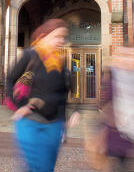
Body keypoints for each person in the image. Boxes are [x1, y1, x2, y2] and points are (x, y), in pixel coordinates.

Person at [6, 18, 79, 172]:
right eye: (57, 36)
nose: (61, 41)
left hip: (54, 124)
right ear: (44, 35)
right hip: (30, 120)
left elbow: (64, 92)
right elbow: (10, 79)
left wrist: (69, 116)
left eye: (63, 37)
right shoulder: (30, 55)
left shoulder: (61, 61)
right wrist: (19, 106)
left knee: (47, 167)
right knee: (37, 166)